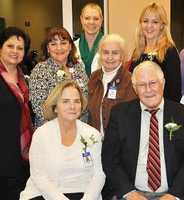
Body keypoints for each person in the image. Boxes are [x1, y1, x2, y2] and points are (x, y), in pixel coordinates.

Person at [102, 61, 184, 200]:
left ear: (163, 83)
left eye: (153, 83)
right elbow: (109, 158)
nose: (148, 90)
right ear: (134, 88)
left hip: (174, 194)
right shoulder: (120, 114)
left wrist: (174, 194)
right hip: (132, 194)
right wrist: (129, 192)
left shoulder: (181, 114)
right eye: (141, 85)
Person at [20, 80, 105, 200]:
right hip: (44, 193)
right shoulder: (41, 134)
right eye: (65, 101)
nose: (72, 106)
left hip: (83, 192)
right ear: (55, 107)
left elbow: (99, 174)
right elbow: (38, 176)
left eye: (77, 101)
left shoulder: (92, 134)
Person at [0, 27, 33, 200]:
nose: (15, 51)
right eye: (10, 46)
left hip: (20, 155)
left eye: (20, 48)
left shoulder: (23, 76)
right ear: (0, 47)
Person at [29, 26, 88, 128]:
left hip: (79, 126)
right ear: (48, 48)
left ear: (70, 47)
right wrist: (64, 125)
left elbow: (86, 97)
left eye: (63, 43)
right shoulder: (40, 69)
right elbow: (39, 107)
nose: (59, 48)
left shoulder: (78, 67)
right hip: (51, 129)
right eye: (53, 44)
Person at [129, 2, 181, 102]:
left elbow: (174, 93)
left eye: (155, 22)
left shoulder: (169, 52)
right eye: (145, 21)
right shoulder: (137, 52)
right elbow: (132, 86)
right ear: (141, 23)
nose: (149, 26)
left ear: (162, 25)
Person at [88, 34, 136, 138]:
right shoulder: (93, 77)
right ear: (100, 55)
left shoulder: (130, 80)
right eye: (105, 52)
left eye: (115, 53)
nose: (110, 57)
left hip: (120, 143)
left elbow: (132, 116)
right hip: (95, 141)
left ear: (122, 56)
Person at [74, 3, 103, 77]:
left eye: (96, 18)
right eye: (87, 18)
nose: (91, 22)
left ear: (101, 20)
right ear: (81, 19)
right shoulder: (73, 46)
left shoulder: (110, 45)